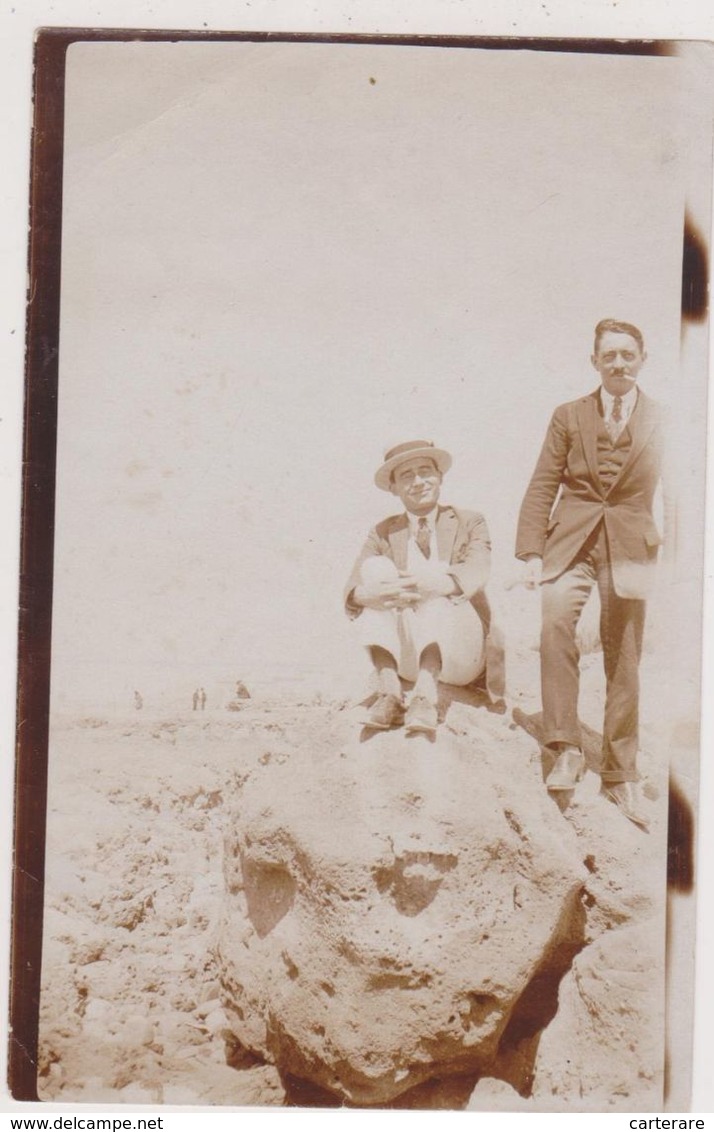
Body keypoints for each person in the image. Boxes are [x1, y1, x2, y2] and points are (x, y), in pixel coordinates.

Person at [515, 319, 665, 830]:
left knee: (625, 654)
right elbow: (543, 483)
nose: (618, 364)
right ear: (594, 361)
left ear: (643, 358)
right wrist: (532, 552)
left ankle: (620, 774)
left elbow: (685, 492)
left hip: (632, 546)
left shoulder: (665, 418)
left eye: (627, 354)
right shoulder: (568, 416)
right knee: (555, 624)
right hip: (570, 540)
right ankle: (565, 748)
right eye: (609, 356)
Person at [345, 440, 505, 736]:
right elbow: (353, 588)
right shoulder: (383, 532)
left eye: (425, 472)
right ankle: (390, 692)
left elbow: (478, 569)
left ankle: (425, 696)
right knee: (374, 570)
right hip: (408, 654)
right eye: (406, 475)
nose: (418, 482)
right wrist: (372, 594)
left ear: (440, 477)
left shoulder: (470, 521)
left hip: (461, 654)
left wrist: (430, 585)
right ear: (393, 487)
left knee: (436, 576)